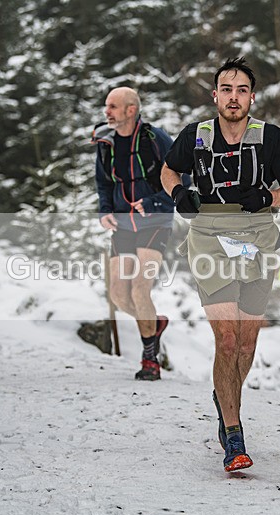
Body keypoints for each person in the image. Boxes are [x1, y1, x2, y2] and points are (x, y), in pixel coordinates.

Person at [160, 57, 280, 472]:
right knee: (226, 340)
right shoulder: (196, 136)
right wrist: (178, 194)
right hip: (209, 239)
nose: (234, 97)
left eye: (242, 90)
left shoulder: (271, 138)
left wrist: (269, 197)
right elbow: (168, 171)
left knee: (245, 344)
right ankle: (234, 434)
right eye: (227, 89)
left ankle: (224, 396)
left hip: (258, 240)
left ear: (252, 97)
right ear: (215, 95)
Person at [92, 87, 178, 381]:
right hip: (123, 224)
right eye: (106, 106)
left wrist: (154, 202)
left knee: (140, 290)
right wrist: (105, 210)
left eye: (112, 107)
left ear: (131, 110)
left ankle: (150, 359)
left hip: (155, 222)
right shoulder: (106, 142)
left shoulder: (155, 138)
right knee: (119, 295)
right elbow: (103, 182)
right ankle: (155, 323)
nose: (107, 112)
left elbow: (182, 178)